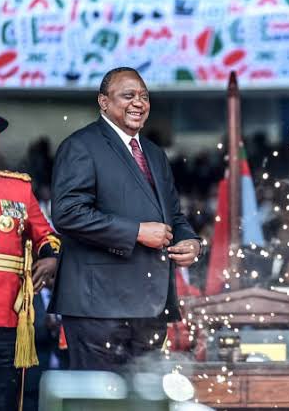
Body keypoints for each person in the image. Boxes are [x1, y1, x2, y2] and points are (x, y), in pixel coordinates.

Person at [49, 67, 202, 371]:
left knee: (142, 398)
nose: (139, 103)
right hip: (98, 306)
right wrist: (135, 232)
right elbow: (67, 214)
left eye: (144, 96)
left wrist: (191, 241)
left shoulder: (155, 154)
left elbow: (173, 215)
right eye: (128, 95)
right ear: (103, 102)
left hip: (149, 304)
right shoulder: (81, 146)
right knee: (98, 400)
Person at [0, 114, 60, 411]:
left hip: (8, 313)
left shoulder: (18, 190)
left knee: (3, 394)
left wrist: (52, 259)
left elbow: (47, 236)